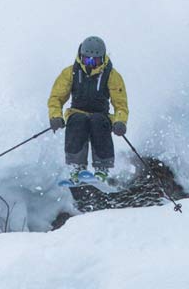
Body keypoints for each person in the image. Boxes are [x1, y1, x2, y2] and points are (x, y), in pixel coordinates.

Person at [48, 36, 129, 182]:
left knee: (98, 121)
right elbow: (56, 98)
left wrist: (120, 122)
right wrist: (55, 116)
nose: (91, 64)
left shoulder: (111, 75)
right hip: (77, 112)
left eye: (95, 61)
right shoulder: (70, 73)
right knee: (77, 120)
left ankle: (102, 169)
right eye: (87, 60)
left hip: (101, 114)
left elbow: (120, 104)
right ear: (81, 57)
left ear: (102, 58)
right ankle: (76, 168)